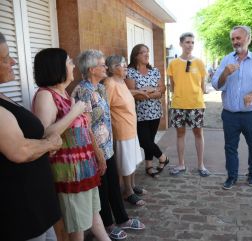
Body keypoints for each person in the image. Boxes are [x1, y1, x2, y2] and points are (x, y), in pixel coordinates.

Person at [32, 48, 111, 241]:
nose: (73, 66)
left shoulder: (65, 94)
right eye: (69, 62)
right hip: (68, 175)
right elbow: (45, 136)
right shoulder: (45, 95)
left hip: (84, 170)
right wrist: (75, 112)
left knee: (93, 217)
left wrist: (97, 154)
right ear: (57, 67)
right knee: (77, 230)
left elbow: (82, 131)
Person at [73, 50, 144, 240]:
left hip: (107, 146)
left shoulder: (101, 88)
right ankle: (108, 224)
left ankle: (122, 218)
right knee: (102, 189)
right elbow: (85, 127)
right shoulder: (83, 91)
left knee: (113, 184)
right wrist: (98, 153)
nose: (106, 67)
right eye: (103, 65)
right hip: (94, 150)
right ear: (91, 69)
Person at [0, 32, 62, 241]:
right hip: (19, 214)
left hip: (35, 207)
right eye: (5, 58)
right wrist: (49, 144)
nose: (13, 61)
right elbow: (20, 150)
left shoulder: (2, 96)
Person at [211, 26, 252, 189]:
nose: (235, 42)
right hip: (230, 114)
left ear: (248, 39)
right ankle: (232, 176)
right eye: (233, 39)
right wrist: (225, 73)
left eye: (239, 38)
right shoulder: (226, 60)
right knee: (230, 147)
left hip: (251, 115)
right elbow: (216, 85)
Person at [103, 55, 146, 206]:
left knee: (132, 160)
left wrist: (141, 91)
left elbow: (126, 96)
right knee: (126, 162)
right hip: (120, 129)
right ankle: (127, 191)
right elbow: (104, 108)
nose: (126, 67)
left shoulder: (120, 81)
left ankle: (132, 186)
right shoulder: (109, 83)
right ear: (114, 68)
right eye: (123, 65)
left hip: (131, 128)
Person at [166, 32, 210, 177]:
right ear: (181, 44)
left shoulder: (199, 62)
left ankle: (201, 165)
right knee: (180, 133)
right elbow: (172, 86)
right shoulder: (173, 63)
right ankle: (181, 164)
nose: (190, 45)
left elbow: (203, 86)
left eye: (192, 42)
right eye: (187, 42)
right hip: (178, 104)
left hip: (196, 104)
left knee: (198, 133)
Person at [126, 44, 169, 178]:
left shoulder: (154, 71)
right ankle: (163, 157)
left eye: (147, 52)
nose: (147, 54)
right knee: (144, 141)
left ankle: (149, 165)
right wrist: (152, 91)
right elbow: (133, 94)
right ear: (135, 56)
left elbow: (162, 89)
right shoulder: (130, 72)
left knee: (150, 139)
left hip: (155, 111)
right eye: (143, 52)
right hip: (140, 113)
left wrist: (147, 92)